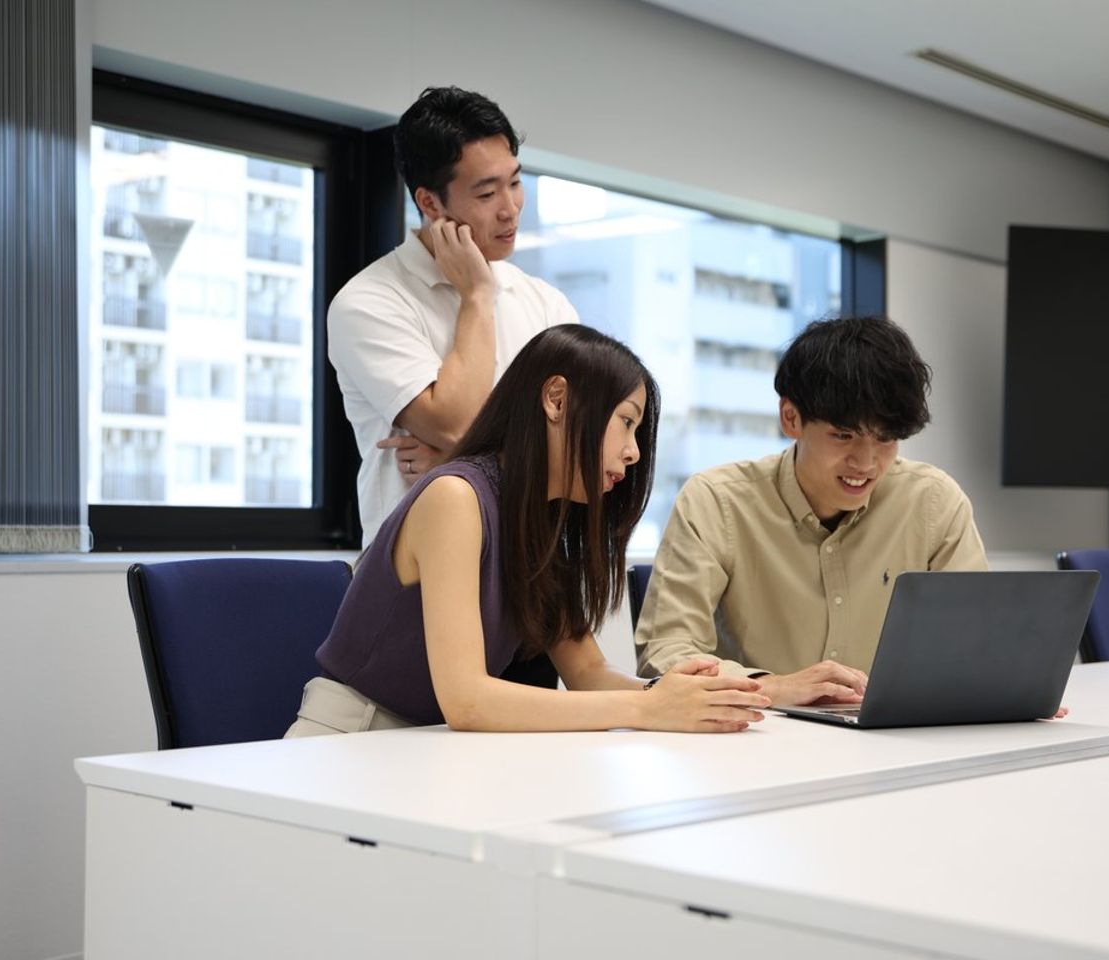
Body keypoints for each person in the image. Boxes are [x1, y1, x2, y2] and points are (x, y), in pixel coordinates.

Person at [287, 325, 770, 736]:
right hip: (354, 737)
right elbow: (467, 701)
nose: (634, 452)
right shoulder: (456, 497)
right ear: (556, 400)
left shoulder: (541, 521)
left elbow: (587, 671)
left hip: (430, 743)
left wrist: (674, 695)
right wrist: (648, 708)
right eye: (626, 422)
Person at [635, 315, 988, 707]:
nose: (866, 463)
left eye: (886, 439)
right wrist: (771, 688)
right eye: (843, 435)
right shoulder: (717, 502)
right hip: (761, 729)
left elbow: (979, 642)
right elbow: (665, 652)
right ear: (791, 418)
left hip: (895, 732)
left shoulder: (933, 502)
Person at [327, 85, 578, 547]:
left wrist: (462, 462)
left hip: (528, 565)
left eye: (515, 183)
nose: (510, 209)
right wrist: (477, 296)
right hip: (413, 572)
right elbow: (456, 423)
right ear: (429, 203)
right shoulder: (368, 302)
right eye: (487, 193)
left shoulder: (547, 304)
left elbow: (583, 447)